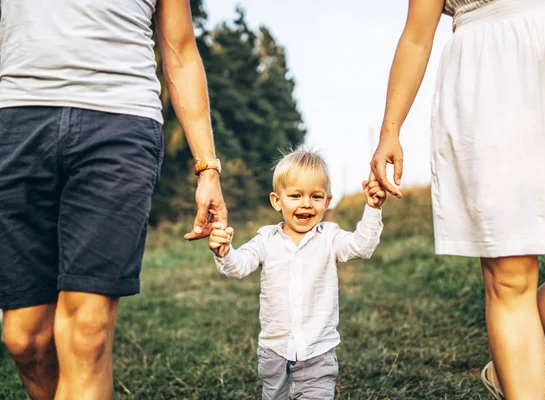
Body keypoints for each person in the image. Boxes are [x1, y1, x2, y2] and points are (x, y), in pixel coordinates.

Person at [369, 0, 545, 399]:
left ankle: (506, 368)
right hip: (486, 80)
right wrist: (390, 130)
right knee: (510, 279)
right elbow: (416, 37)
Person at [0, 1, 227, 399]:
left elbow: (180, 49)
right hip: (16, 119)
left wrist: (207, 167)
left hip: (120, 121)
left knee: (87, 332)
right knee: (25, 338)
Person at [208, 148, 385, 399]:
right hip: (274, 353)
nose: (306, 203)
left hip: (318, 354)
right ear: (276, 201)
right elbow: (238, 266)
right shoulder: (265, 239)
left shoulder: (330, 237)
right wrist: (224, 252)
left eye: (315, 196)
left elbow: (362, 246)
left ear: (327, 201)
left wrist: (373, 209)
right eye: (295, 195)